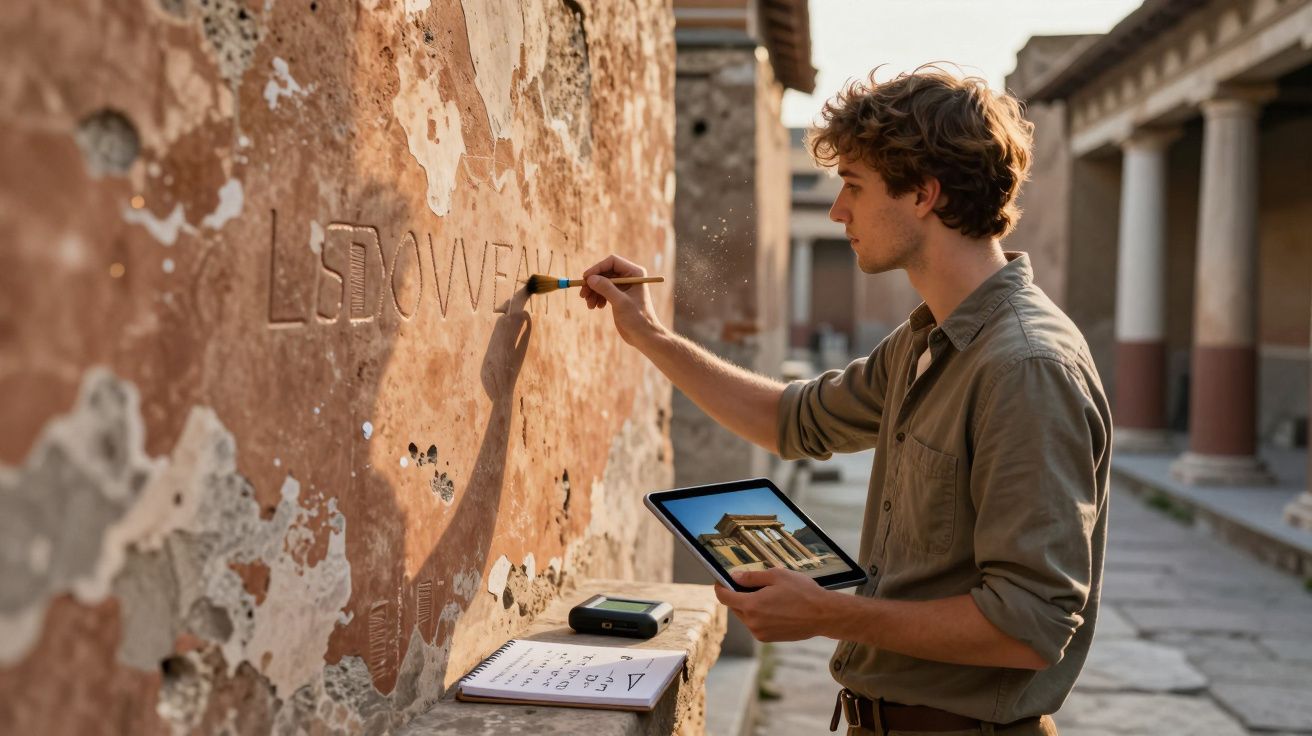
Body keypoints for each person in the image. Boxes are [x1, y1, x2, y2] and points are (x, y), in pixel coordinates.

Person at [578, 66, 1110, 736]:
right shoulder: (925, 340)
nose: (837, 211)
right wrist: (649, 335)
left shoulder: (1026, 367)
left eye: (853, 186)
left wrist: (829, 613)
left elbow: (1029, 625)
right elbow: (789, 421)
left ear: (924, 192)